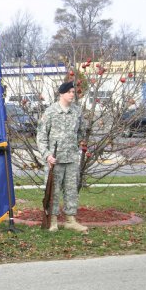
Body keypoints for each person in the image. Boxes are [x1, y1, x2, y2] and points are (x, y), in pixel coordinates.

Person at [36, 81, 88, 233]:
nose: (72, 94)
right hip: (55, 160)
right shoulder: (51, 112)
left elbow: (81, 132)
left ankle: (70, 220)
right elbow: (41, 136)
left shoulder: (77, 112)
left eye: (73, 92)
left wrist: (75, 145)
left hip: (71, 158)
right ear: (62, 93)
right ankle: (52, 220)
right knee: (54, 191)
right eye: (70, 92)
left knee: (71, 190)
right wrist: (47, 155)